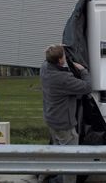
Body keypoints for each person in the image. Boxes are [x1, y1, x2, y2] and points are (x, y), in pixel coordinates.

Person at [40, 44, 92, 183]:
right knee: (71, 158)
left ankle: (47, 176)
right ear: (60, 61)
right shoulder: (63, 79)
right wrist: (83, 71)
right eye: (64, 56)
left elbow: (56, 61)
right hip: (64, 124)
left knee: (58, 151)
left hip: (51, 119)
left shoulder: (45, 67)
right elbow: (87, 87)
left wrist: (58, 50)